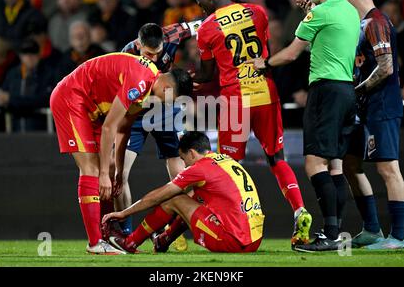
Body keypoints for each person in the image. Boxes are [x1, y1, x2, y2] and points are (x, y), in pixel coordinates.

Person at [194, 0, 312, 249]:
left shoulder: (208, 26)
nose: (201, 9)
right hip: (264, 91)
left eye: (201, 3)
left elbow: (209, 74)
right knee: (276, 158)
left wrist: (189, 79)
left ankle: (233, 223)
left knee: (228, 168)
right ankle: (299, 210)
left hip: (236, 100)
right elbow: (264, 53)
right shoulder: (257, 12)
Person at [247, 0, 360, 251]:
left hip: (325, 91)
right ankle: (335, 233)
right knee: (335, 166)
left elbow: (293, 52)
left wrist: (265, 63)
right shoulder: (348, 10)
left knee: (314, 164)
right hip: (347, 91)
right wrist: (311, 8)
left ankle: (331, 235)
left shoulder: (318, 14)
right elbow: (327, 32)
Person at [50, 52, 192, 255]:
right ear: (168, 88)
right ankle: (95, 243)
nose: (168, 104)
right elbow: (109, 128)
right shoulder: (140, 84)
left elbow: (123, 130)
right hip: (72, 98)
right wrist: (104, 176)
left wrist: (115, 170)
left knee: (105, 169)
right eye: (171, 99)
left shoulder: (149, 85)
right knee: (91, 169)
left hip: (92, 106)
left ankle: (108, 236)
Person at [114, 21, 202, 251]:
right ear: (139, 44)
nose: (153, 59)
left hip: (165, 107)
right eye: (148, 54)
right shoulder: (126, 54)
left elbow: (209, 23)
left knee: (182, 173)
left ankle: (173, 227)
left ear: (164, 41)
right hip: (137, 112)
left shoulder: (174, 33)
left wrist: (203, 60)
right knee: (119, 174)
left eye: (157, 53)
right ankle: (126, 233)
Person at [101, 131, 264, 254]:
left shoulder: (199, 168)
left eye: (183, 158)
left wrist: (124, 212)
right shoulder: (225, 160)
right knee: (189, 200)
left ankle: (131, 243)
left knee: (175, 199)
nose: (184, 164)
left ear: (192, 153)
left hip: (234, 242)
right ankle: (162, 241)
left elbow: (159, 196)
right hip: (254, 240)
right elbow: (191, 204)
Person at [343, 0, 404, 249]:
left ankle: (398, 237)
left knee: (388, 168)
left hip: (382, 106)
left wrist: (357, 90)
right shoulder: (362, 22)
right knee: (350, 163)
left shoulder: (376, 22)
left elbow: (386, 67)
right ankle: (371, 229)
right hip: (365, 107)